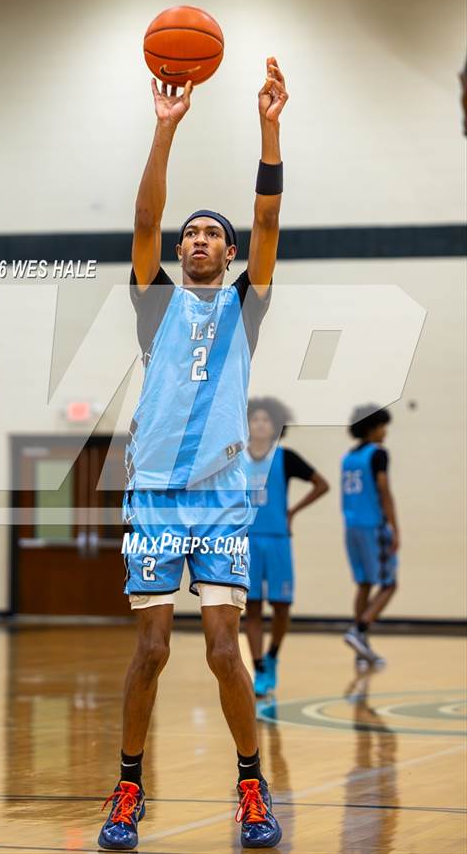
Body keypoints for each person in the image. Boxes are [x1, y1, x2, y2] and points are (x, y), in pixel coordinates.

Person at [98, 57, 288, 851]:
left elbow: (270, 221)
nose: (197, 238)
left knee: (220, 648)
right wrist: (163, 130)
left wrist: (270, 128)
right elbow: (145, 222)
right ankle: (128, 783)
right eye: (191, 234)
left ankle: (250, 780)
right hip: (153, 495)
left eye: (212, 232)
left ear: (232, 251)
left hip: (217, 497)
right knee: (151, 647)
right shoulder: (156, 306)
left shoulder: (246, 306)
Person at [242, 397, 329, 697]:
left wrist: (292, 512)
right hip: (247, 540)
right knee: (251, 608)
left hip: (278, 539)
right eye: (255, 419)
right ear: (246, 423)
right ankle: (258, 667)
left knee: (281, 606)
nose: (261, 424)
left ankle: (273, 656)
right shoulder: (235, 458)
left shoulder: (286, 457)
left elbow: (322, 484)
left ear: (276, 425)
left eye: (266, 420)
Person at [341, 405, 399, 667]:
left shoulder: (348, 458)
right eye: (382, 426)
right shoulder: (378, 454)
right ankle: (359, 630)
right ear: (371, 427)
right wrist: (395, 527)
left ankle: (360, 650)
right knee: (389, 584)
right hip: (373, 526)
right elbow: (384, 490)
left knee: (364, 584)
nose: (385, 431)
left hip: (351, 528)